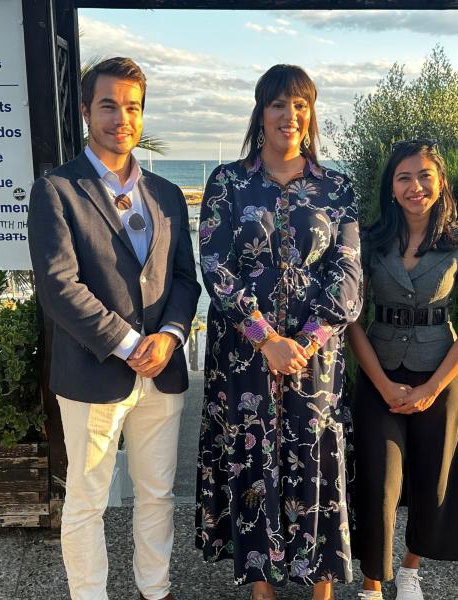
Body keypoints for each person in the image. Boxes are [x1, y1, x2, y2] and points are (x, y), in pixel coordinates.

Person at [27, 57, 200, 600]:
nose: (120, 118)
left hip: (162, 371)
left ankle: (156, 588)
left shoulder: (169, 195)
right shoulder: (56, 190)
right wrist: (128, 345)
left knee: (157, 494)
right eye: (108, 105)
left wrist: (170, 336)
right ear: (85, 112)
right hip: (94, 371)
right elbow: (59, 287)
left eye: (132, 107)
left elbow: (184, 281)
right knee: (87, 500)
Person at [195, 64, 363, 600]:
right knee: (252, 453)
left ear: (310, 114)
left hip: (315, 358)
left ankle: (321, 584)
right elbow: (215, 266)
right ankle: (260, 584)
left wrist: (306, 340)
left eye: (301, 105)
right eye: (278, 105)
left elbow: (350, 272)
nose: (290, 115)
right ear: (260, 113)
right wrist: (265, 337)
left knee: (315, 451)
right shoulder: (228, 183)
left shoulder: (336, 187)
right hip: (246, 355)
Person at [346, 140, 458, 600]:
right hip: (378, 374)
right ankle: (372, 585)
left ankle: (410, 570)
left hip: (440, 377)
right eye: (404, 177)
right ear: (391, 186)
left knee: (433, 478)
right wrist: (383, 383)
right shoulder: (369, 243)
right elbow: (352, 320)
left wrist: (431, 387)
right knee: (379, 479)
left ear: (440, 181)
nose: (415, 186)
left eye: (425, 175)